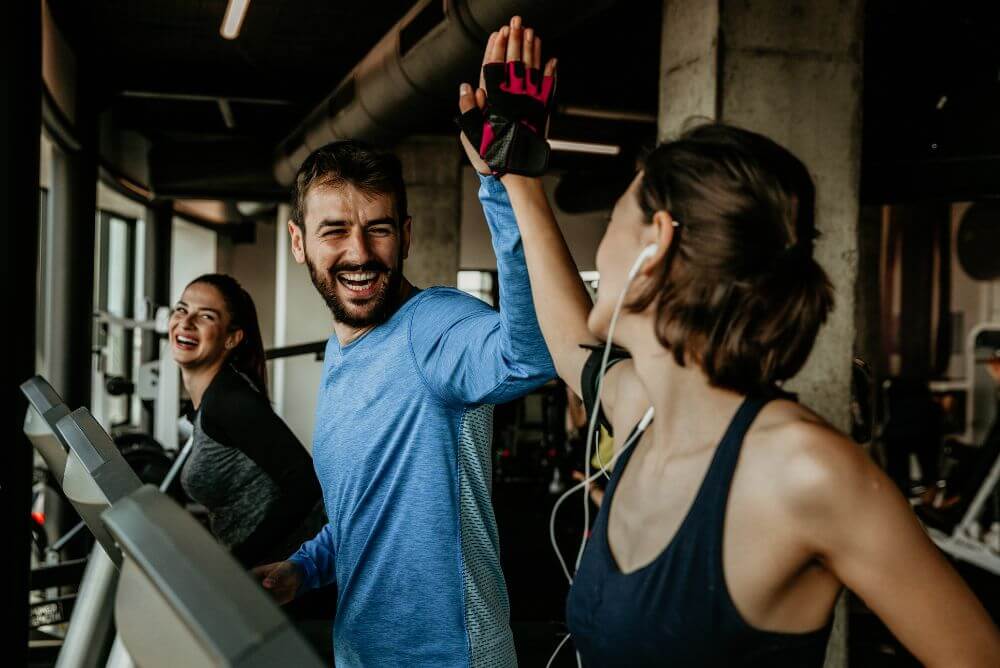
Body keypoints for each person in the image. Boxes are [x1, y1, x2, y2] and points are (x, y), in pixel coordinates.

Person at [456, 20, 1000, 666]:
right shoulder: (643, 415)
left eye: (614, 220)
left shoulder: (803, 468)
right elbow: (570, 342)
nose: (601, 247)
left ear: (656, 243)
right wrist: (517, 179)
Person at [250, 28, 556, 665]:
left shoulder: (433, 326)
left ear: (407, 236)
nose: (359, 253)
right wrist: (303, 569)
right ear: (299, 243)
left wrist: (505, 187)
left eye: (379, 229)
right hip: (360, 654)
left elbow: (531, 356)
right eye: (335, 230)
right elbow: (362, 517)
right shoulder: (344, 351)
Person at [170, 274, 324, 568]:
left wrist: (239, 563)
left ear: (232, 338)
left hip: (287, 575)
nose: (186, 322)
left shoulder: (228, 400)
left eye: (205, 316)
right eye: (181, 309)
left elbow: (305, 483)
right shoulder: (211, 400)